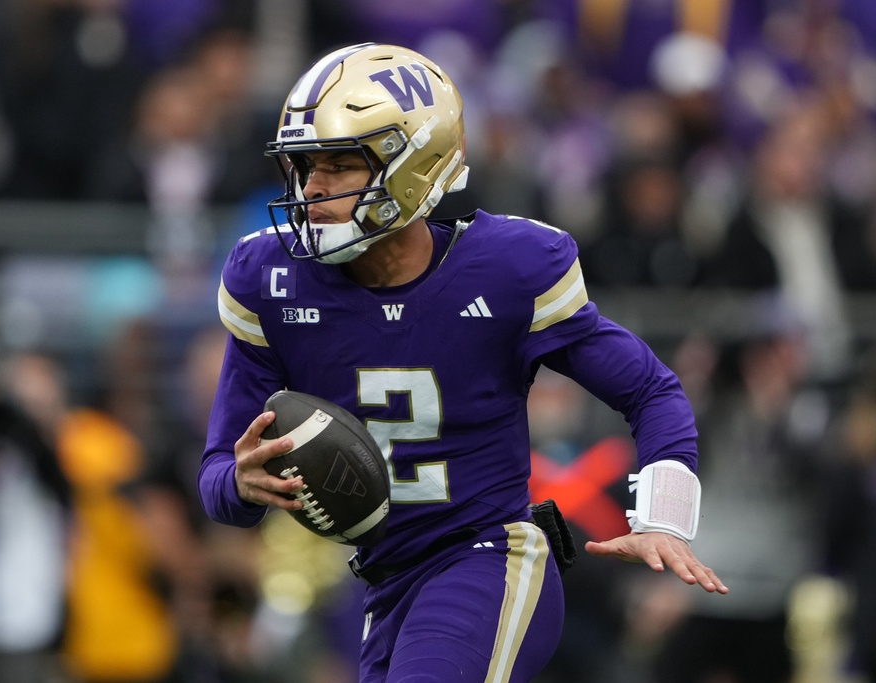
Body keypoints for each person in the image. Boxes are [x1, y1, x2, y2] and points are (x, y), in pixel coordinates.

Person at [198, 42, 727, 683]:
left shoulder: (505, 268)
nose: (313, 188)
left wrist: (664, 517)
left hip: (492, 559)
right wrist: (242, 483)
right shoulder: (271, 280)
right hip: (386, 582)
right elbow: (220, 479)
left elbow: (650, 390)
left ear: (413, 163)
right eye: (306, 165)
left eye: (340, 164)